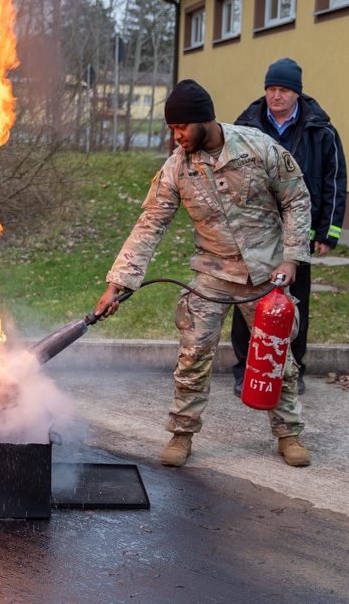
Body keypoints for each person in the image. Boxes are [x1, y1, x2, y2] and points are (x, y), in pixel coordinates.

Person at [94, 79, 313, 468]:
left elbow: (296, 198)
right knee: (193, 355)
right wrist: (119, 283)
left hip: (264, 272)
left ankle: (289, 434)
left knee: (277, 357)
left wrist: (292, 258)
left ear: (203, 120)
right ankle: (181, 434)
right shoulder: (177, 168)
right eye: (172, 130)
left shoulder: (257, 147)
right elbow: (150, 224)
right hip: (212, 273)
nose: (176, 137)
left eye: (181, 128)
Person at [230, 58, 348, 397]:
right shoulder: (246, 127)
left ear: (297, 93)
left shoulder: (321, 131)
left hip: (299, 239)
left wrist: (329, 232)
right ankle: (245, 370)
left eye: (283, 90)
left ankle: (291, 371)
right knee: (249, 303)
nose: (275, 96)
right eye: (271, 89)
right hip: (255, 234)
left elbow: (333, 182)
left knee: (295, 305)